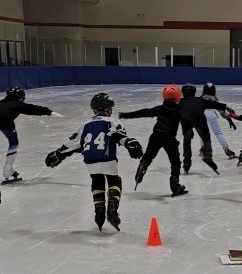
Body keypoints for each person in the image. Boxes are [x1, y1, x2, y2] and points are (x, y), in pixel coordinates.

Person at [45, 92, 142, 231]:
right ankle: (112, 208)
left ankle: (99, 211)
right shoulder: (112, 121)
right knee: (114, 181)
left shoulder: (85, 124)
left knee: (97, 181)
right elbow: (117, 135)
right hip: (107, 159)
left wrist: (58, 154)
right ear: (108, 110)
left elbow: (73, 143)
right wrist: (130, 143)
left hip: (90, 161)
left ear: (95, 110)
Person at [118, 85, 188, 196]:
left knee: (148, 156)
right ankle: (175, 185)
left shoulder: (160, 108)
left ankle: (143, 165)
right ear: (178, 97)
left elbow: (144, 112)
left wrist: (126, 115)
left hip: (156, 135)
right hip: (169, 138)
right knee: (175, 162)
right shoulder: (179, 110)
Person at [0, 86, 61, 184]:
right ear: (20, 97)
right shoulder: (17, 104)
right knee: (13, 143)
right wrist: (48, 112)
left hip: (6, 123)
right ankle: (8, 169)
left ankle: (9, 169)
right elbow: (32, 109)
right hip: (6, 123)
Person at [178, 84, 235, 175]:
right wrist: (228, 108)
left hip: (186, 121)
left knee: (187, 141)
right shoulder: (200, 100)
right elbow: (215, 104)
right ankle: (207, 154)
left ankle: (186, 162)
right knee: (206, 138)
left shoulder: (179, 102)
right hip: (199, 119)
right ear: (195, 92)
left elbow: (172, 111)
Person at [199, 82, 237, 159]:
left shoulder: (200, 98)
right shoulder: (214, 99)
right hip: (211, 114)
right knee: (218, 133)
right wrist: (229, 119)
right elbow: (221, 111)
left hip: (201, 114)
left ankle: (203, 149)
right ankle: (226, 149)